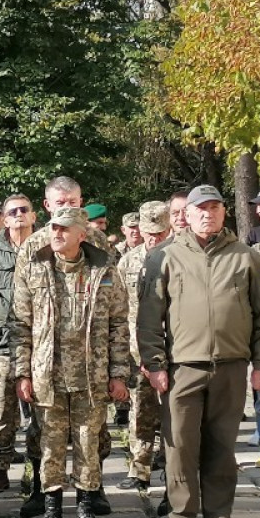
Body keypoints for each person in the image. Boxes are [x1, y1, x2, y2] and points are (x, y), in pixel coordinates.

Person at [139, 185, 260, 518]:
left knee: (221, 442)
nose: (208, 214)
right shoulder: (165, 256)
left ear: (223, 213)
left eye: (214, 208)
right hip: (182, 366)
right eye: (201, 208)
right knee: (179, 445)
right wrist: (154, 364)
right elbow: (150, 317)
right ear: (188, 214)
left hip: (230, 365)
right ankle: (181, 515)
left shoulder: (245, 256)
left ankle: (219, 515)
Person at [12, 206, 130, 518]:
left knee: (87, 444)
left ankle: (85, 513)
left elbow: (119, 323)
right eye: (54, 228)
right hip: (48, 374)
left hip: (90, 377)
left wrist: (118, 373)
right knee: (49, 444)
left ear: (82, 234)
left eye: (65, 230)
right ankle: (51, 514)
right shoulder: (35, 267)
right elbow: (20, 324)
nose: (57, 234)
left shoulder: (104, 269)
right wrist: (23, 373)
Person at [0, 193, 38, 493]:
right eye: (12, 211)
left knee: (41, 412)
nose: (18, 214)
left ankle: (36, 470)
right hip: (3, 344)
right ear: (3, 219)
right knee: (0, 412)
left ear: (33, 216)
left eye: (23, 210)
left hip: (41, 343)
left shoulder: (45, 248)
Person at [116, 201, 171, 490]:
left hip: (174, 348)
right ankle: (140, 469)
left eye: (159, 233)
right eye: (148, 233)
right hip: (138, 351)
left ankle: (173, 467)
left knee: (173, 414)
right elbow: (120, 308)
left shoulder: (178, 257)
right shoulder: (129, 261)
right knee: (140, 413)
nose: (153, 239)